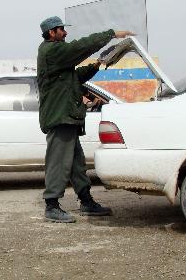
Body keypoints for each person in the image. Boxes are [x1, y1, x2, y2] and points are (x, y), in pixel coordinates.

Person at [37, 15, 134, 222]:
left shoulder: (60, 59)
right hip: (60, 117)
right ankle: (51, 205)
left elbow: (75, 77)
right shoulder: (51, 51)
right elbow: (79, 47)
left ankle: (86, 201)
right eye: (61, 29)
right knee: (58, 163)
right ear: (51, 33)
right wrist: (111, 34)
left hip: (68, 118)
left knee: (76, 164)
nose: (65, 33)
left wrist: (98, 64)